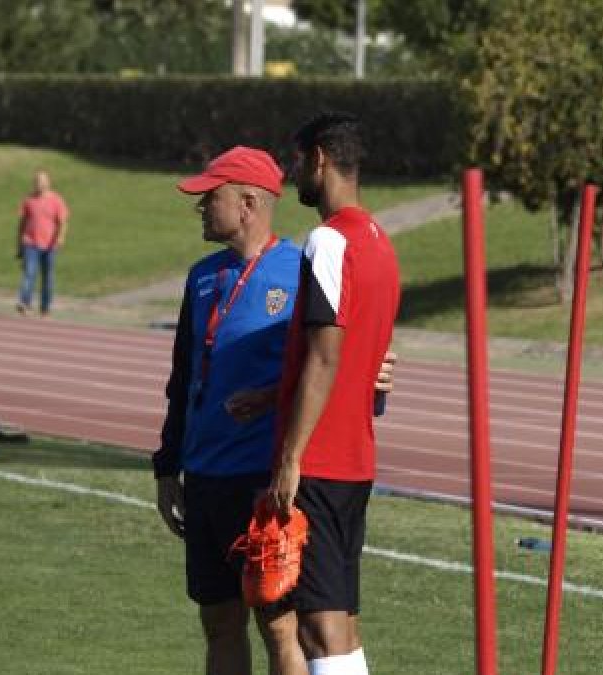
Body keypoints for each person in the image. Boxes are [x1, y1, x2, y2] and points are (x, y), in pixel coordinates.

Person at [153, 145, 396, 675]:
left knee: (280, 625)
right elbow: (183, 379)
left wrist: (373, 372)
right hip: (206, 475)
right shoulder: (200, 278)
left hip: (264, 481)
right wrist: (167, 465)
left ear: (246, 204)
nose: (199, 206)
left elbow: (335, 356)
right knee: (218, 622)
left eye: (208, 196)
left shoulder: (300, 269)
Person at [267, 112, 400, 675]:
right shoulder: (380, 243)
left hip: (319, 461)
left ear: (319, 158)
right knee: (340, 623)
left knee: (318, 631)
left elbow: (326, 354)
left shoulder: (327, 241)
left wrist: (290, 457)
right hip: (355, 460)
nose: (294, 173)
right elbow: (367, 360)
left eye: (297, 162)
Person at [15, 169, 68, 317]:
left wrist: (60, 237)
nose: (39, 184)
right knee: (29, 273)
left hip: (50, 245)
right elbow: (22, 223)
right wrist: (20, 243)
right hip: (30, 243)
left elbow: (63, 222)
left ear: (48, 182)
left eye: (42, 181)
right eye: (37, 181)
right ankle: (24, 303)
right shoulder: (28, 200)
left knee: (47, 277)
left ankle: (45, 308)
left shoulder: (57, 200)